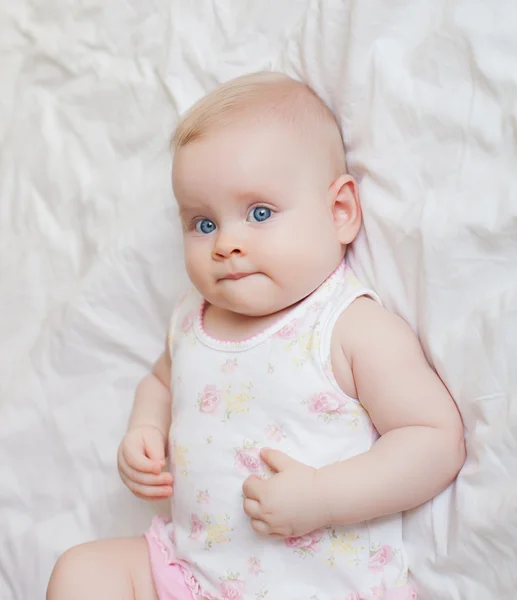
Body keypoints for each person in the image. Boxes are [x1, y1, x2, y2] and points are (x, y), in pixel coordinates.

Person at [47, 72, 465, 600]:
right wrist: (144, 429)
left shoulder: (346, 326)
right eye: (202, 223)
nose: (226, 244)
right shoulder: (190, 319)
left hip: (311, 586)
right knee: (82, 572)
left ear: (340, 213)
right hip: (187, 573)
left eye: (259, 213)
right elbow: (158, 382)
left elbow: (433, 438)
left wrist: (323, 496)